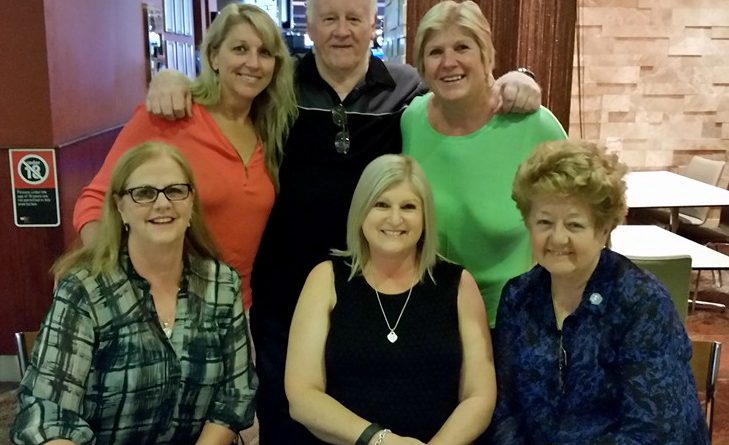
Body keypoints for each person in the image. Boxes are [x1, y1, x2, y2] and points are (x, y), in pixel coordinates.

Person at [144, 1, 540, 442]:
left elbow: (459, 91)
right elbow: (226, 93)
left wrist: (520, 77)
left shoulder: (405, 90)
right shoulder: (280, 84)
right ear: (309, 25)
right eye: (329, 18)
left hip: (377, 283)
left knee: (393, 400)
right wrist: (172, 79)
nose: (342, 30)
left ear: (373, 26)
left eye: (354, 18)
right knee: (288, 417)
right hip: (286, 286)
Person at [12, 142, 257, 444]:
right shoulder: (85, 289)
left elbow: (234, 396)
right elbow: (47, 414)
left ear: (191, 201)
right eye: (144, 193)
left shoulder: (221, 284)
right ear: (120, 207)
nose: (163, 203)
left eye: (175, 190)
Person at [73, 3, 298, 310]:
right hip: (163, 307)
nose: (253, 63)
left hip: (236, 308)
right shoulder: (171, 115)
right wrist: (114, 281)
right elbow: (94, 200)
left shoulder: (270, 129)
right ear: (214, 56)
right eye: (240, 49)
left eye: (265, 53)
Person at [486, 139, 709, 444]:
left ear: (604, 229)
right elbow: (506, 411)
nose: (557, 238)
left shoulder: (641, 303)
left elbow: (654, 431)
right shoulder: (518, 296)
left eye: (574, 225)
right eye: (544, 222)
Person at [285, 154, 495, 445]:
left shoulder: (458, 284)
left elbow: (479, 396)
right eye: (381, 204)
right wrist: (381, 440)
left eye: (408, 207)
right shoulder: (325, 279)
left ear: (425, 217)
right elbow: (302, 396)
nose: (395, 219)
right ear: (361, 211)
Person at [402, 0, 567, 327]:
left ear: (486, 55)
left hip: (514, 317)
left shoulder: (534, 126)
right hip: (430, 310)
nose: (449, 62)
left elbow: (587, 214)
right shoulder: (412, 120)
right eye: (435, 52)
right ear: (421, 65)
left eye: (462, 47)